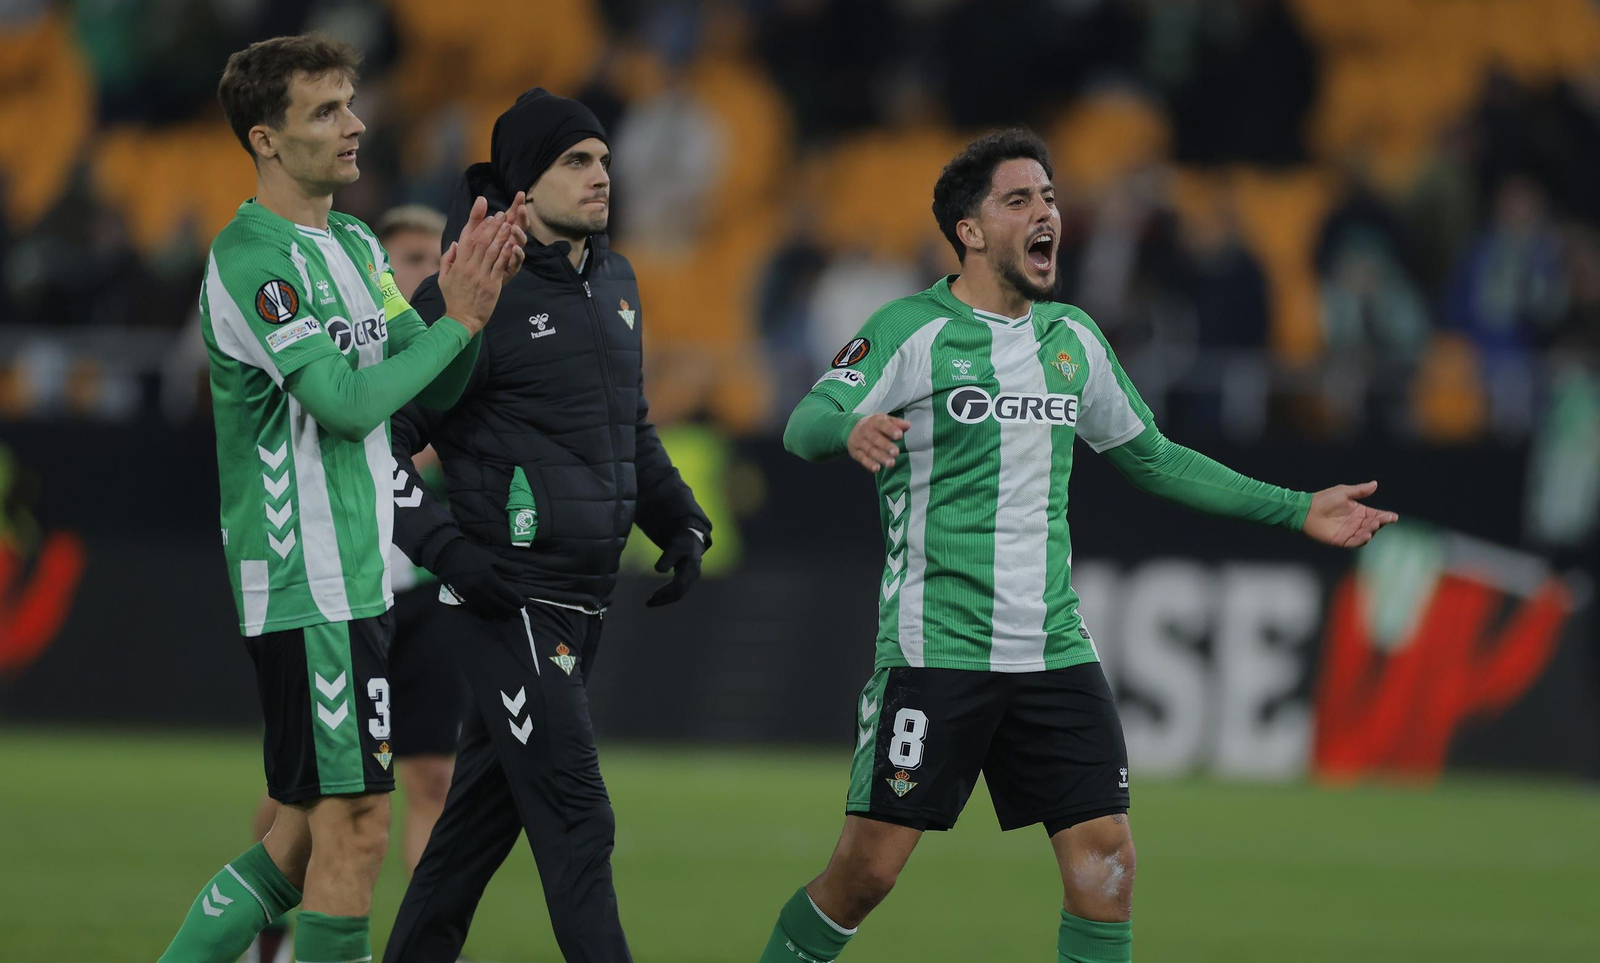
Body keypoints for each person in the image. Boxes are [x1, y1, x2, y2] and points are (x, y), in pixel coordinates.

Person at [760, 128, 1398, 963]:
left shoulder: (1073, 341)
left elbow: (1155, 457)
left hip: (1053, 650)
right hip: (937, 648)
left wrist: (1294, 507)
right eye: (1019, 199)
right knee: (866, 872)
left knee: (1108, 861)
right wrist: (848, 427)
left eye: (1051, 196)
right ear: (971, 230)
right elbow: (803, 420)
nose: (1046, 212)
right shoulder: (912, 330)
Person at [158, 34, 524, 963]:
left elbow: (431, 389)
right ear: (266, 139)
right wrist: (460, 319)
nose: (355, 122)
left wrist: (462, 307)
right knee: (356, 823)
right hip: (302, 568)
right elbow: (348, 402)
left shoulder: (356, 242)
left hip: (358, 572)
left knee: (294, 841)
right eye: (326, 110)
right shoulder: (252, 260)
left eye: (351, 103)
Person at [379, 88, 711, 963]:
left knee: (463, 847)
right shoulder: (466, 288)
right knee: (577, 813)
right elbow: (377, 445)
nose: (603, 174)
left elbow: (624, 422)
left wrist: (676, 514)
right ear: (524, 185)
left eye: (603, 158)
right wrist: (448, 549)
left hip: (582, 602)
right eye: (577, 160)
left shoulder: (617, 280)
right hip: (510, 598)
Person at [242, 205, 465, 963]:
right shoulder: (346, 350)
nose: (422, 273)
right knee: (303, 794)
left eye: (434, 259)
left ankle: (426, 945)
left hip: (424, 590)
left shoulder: (431, 361)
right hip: (335, 581)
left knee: (430, 776)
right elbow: (351, 421)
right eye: (409, 258)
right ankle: (267, 934)